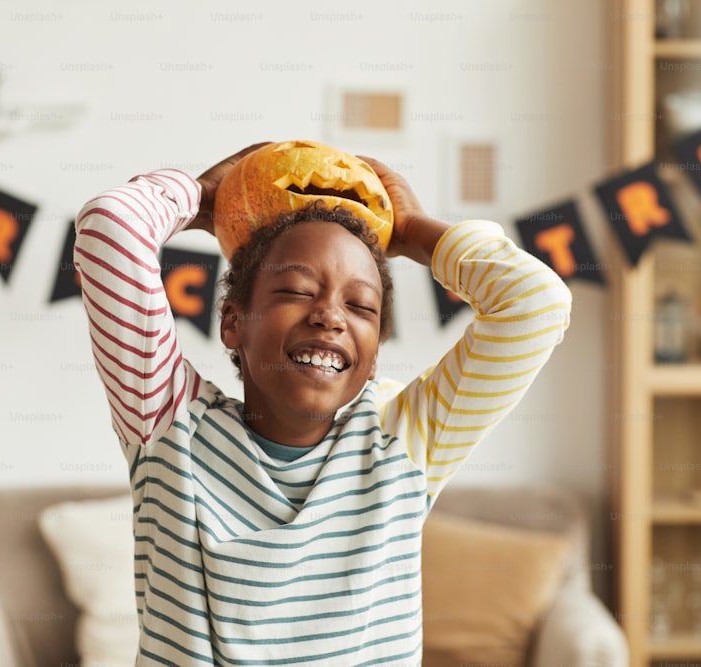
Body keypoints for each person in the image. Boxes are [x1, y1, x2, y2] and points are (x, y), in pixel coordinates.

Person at [73, 142, 571, 666]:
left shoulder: (401, 442)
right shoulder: (169, 424)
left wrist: (415, 230)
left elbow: (537, 304)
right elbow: (109, 228)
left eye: (361, 306)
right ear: (233, 321)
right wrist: (203, 198)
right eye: (295, 290)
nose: (330, 316)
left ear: (375, 354)